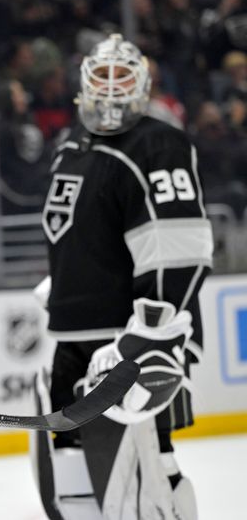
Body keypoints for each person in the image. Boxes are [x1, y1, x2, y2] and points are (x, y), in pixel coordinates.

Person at [33, 34, 213, 520]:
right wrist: (63, 287)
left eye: (123, 76)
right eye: (103, 75)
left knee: (149, 467)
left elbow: (178, 247)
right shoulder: (71, 142)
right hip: (72, 335)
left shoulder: (158, 141)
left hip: (128, 336)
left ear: (143, 84)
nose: (112, 87)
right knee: (69, 466)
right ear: (84, 82)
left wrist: (155, 332)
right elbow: (77, 231)